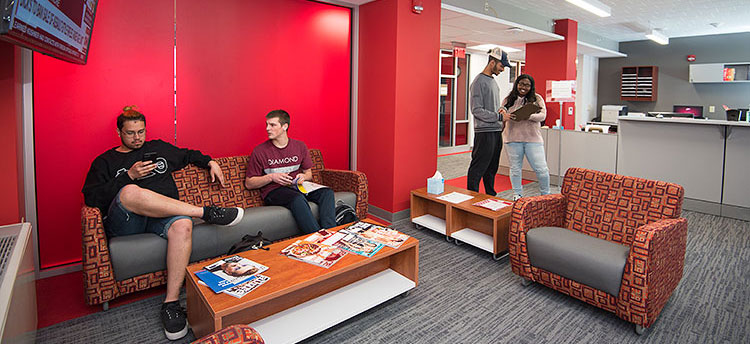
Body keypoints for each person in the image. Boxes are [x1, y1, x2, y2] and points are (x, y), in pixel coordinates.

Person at [82, 106, 244, 341]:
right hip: (128, 223)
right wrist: (129, 176)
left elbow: (188, 155)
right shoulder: (105, 161)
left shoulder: (158, 148)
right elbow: (91, 198)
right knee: (130, 191)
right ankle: (205, 213)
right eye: (130, 133)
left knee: (183, 225)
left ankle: (171, 303)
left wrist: (210, 162)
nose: (137, 138)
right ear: (119, 133)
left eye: (141, 132)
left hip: (163, 220)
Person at [245, 109, 336, 233]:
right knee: (297, 199)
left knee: (327, 193)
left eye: (272, 125)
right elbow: (249, 183)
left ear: (284, 126)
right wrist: (271, 177)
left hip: (298, 186)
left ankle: (331, 233)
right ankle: (318, 237)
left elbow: (309, 173)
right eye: (267, 124)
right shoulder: (260, 151)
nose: (267, 128)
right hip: (274, 191)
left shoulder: (300, 146)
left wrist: (303, 177)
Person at [467, 47, 512, 196]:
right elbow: (477, 110)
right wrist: (498, 117)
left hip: (495, 131)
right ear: (492, 62)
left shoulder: (492, 82)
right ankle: (471, 198)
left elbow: (490, 107)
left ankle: (490, 196)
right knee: (478, 167)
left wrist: (500, 110)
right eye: (501, 66)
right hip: (484, 133)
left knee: (492, 168)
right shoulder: (478, 82)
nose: (503, 70)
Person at [502, 74, 550, 201]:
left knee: (542, 169)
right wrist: (505, 114)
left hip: (533, 140)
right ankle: (517, 194)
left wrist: (528, 116)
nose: (523, 87)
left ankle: (546, 194)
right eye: (521, 84)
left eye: (527, 85)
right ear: (516, 84)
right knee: (515, 169)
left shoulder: (537, 98)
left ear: (531, 86)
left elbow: (543, 116)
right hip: (512, 139)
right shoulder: (508, 99)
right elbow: (501, 112)